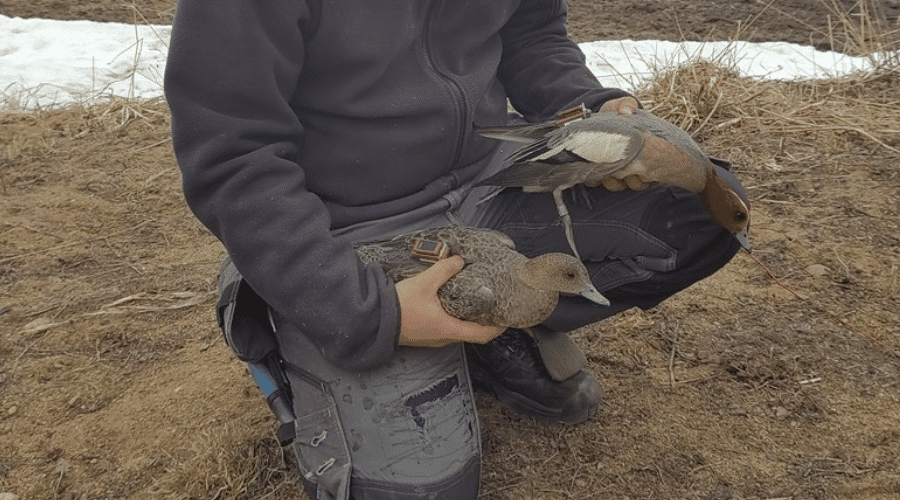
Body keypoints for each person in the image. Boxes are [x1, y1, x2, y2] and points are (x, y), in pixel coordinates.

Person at [164, 1, 747, 499]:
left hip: (488, 180)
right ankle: (296, 317)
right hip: (349, 234)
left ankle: (492, 326)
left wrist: (586, 112)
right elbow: (234, 158)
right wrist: (364, 312)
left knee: (702, 212)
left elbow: (531, 32)